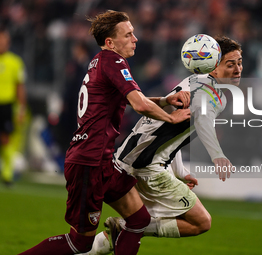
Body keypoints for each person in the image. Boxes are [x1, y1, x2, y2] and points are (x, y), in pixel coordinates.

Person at [18, 10, 190, 255]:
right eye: (128, 34)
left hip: (102, 161)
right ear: (110, 42)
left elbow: (134, 100)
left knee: (139, 220)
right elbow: (140, 105)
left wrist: (165, 100)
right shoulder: (113, 61)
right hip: (88, 162)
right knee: (79, 243)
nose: (135, 38)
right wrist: (171, 118)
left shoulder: (100, 61)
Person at [81, 35, 243, 255]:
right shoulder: (211, 94)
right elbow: (202, 123)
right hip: (147, 168)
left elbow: (165, 133)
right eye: (230, 64)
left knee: (138, 219)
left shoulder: (191, 84)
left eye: (239, 63)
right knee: (201, 222)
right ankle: (122, 229)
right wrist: (217, 155)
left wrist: (180, 172)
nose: (237, 69)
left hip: (131, 160)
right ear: (213, 66)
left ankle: (101, 243)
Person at [0, 26, 26, 187]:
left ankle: (7, 174)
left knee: (5, 139)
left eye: (4, 41)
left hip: (6, 106)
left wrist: (21, 108)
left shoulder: (15, 62)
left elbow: (20, 87)